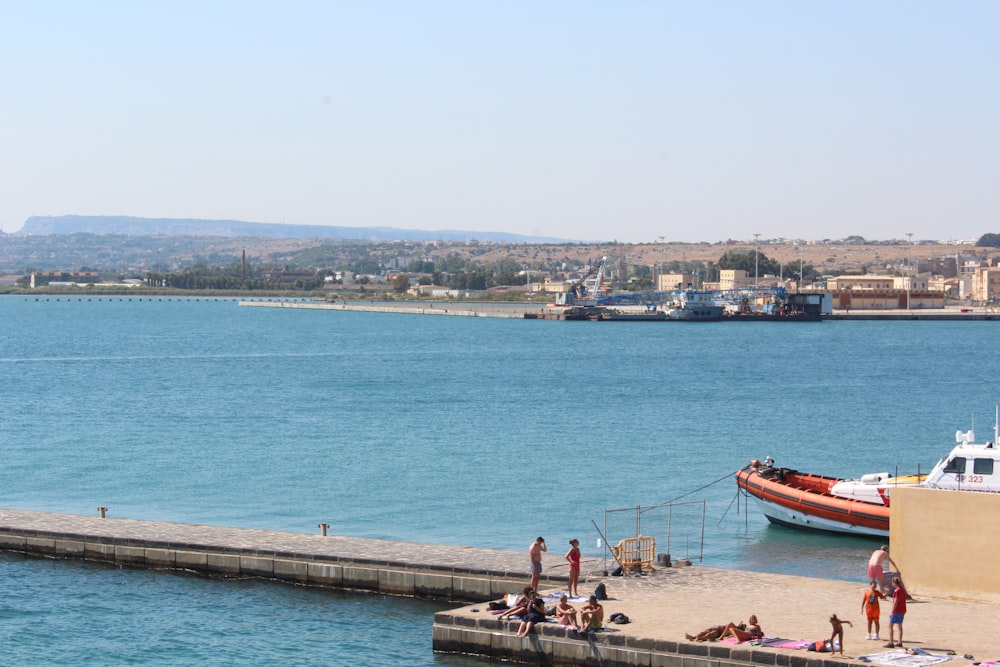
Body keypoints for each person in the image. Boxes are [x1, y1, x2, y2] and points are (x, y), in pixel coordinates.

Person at [886, 576, 906, 648]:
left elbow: (896, 601)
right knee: (899, 626)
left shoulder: (897, 591)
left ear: (894, 583)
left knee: (890, 626)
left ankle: (891, 642)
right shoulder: (903, 590)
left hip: (897, 610)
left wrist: (892, 611)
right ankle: (899, 642)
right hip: (902, 610)